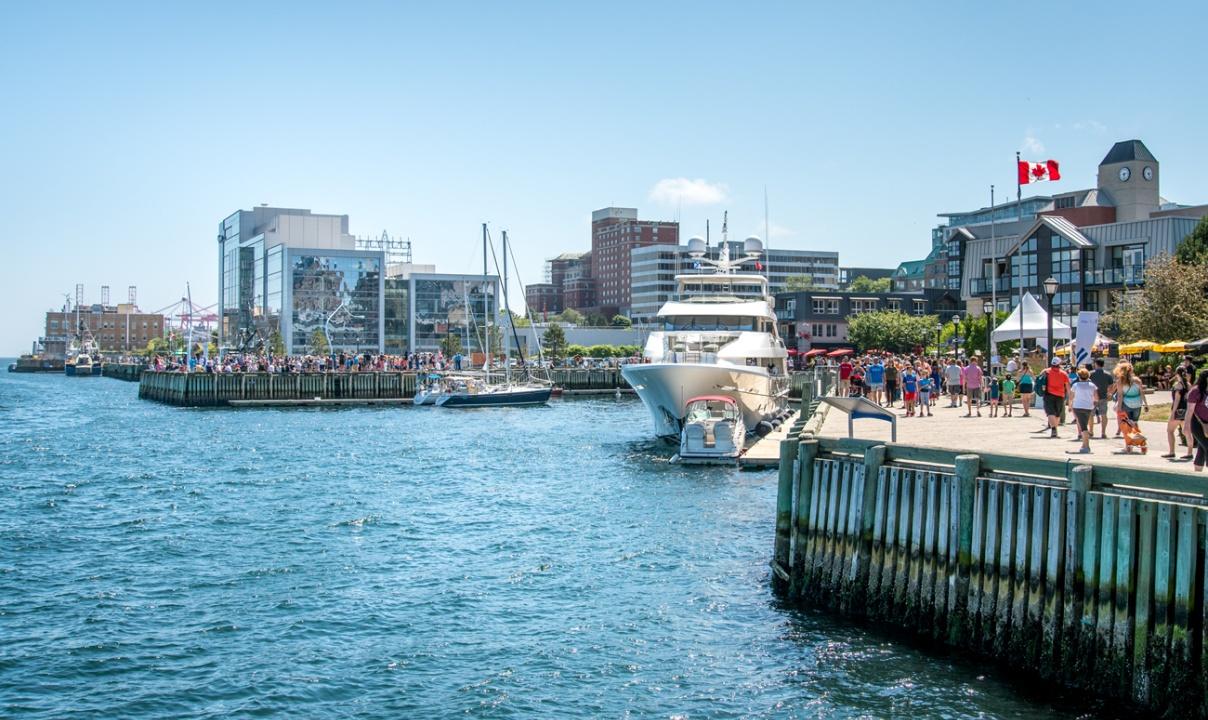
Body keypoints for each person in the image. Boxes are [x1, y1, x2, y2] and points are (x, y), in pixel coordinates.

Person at [1111, 361, 1149, 454]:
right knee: (1134, 425)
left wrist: (1119, 408)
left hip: (1126, 405)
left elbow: (1120, 396)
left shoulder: (1120, 381)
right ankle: (1142, 444)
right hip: (1137, 405)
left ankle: (1129, 447)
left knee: (1126, 427)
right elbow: (1141, 393)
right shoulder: (1137, 380)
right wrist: (1146, 404)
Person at [1034, 357, 1070, 438]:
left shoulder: (1046, 371)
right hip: (1060, 395)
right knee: (1057, 414)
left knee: (1050, 413)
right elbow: (1068, 386)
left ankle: (1053, 428)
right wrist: (1070, 397)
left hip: (1048, 394)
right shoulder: (1064, 374)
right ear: (1059, 364)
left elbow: (1038, 380)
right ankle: (1055, 428)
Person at [1164, 367, 1194, 460]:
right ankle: (1190, 452)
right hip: (1186, 411)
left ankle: (1172, 452)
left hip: (1178, 411)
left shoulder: (1177, 385)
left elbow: (1176, 400)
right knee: (1187, 432)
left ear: (1177, 374)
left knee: (1170, 431)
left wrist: (1173, 413)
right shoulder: (1188, 385)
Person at [1067, 367, 1098, 455]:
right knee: (1084, 424)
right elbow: (1096, 398)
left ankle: (1086, 446)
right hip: (1089, 407)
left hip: (1078, 407)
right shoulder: (1092, 385)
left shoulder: (1076, 385)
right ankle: (1084, 445)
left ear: (1079, 376)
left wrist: (1069, 406)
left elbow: (1071, 397)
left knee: (1083, 427)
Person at [1184, 369, 1208, 472]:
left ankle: (1197, 473)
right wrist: (1186, 427)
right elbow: (1189, 411)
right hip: (1197, 423)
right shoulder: (1195, 391)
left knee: (1202, 447)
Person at [1089, 359, 1113, 440]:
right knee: (1104, 414)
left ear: (1096, 364)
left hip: (1093, 397)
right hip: (1103, 396)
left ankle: (1091, 431)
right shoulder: (1108, 374)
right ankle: (1103, 432)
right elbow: (1111, 385)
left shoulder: (1091, 374)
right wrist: (1109, 393)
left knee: (1091, 415)